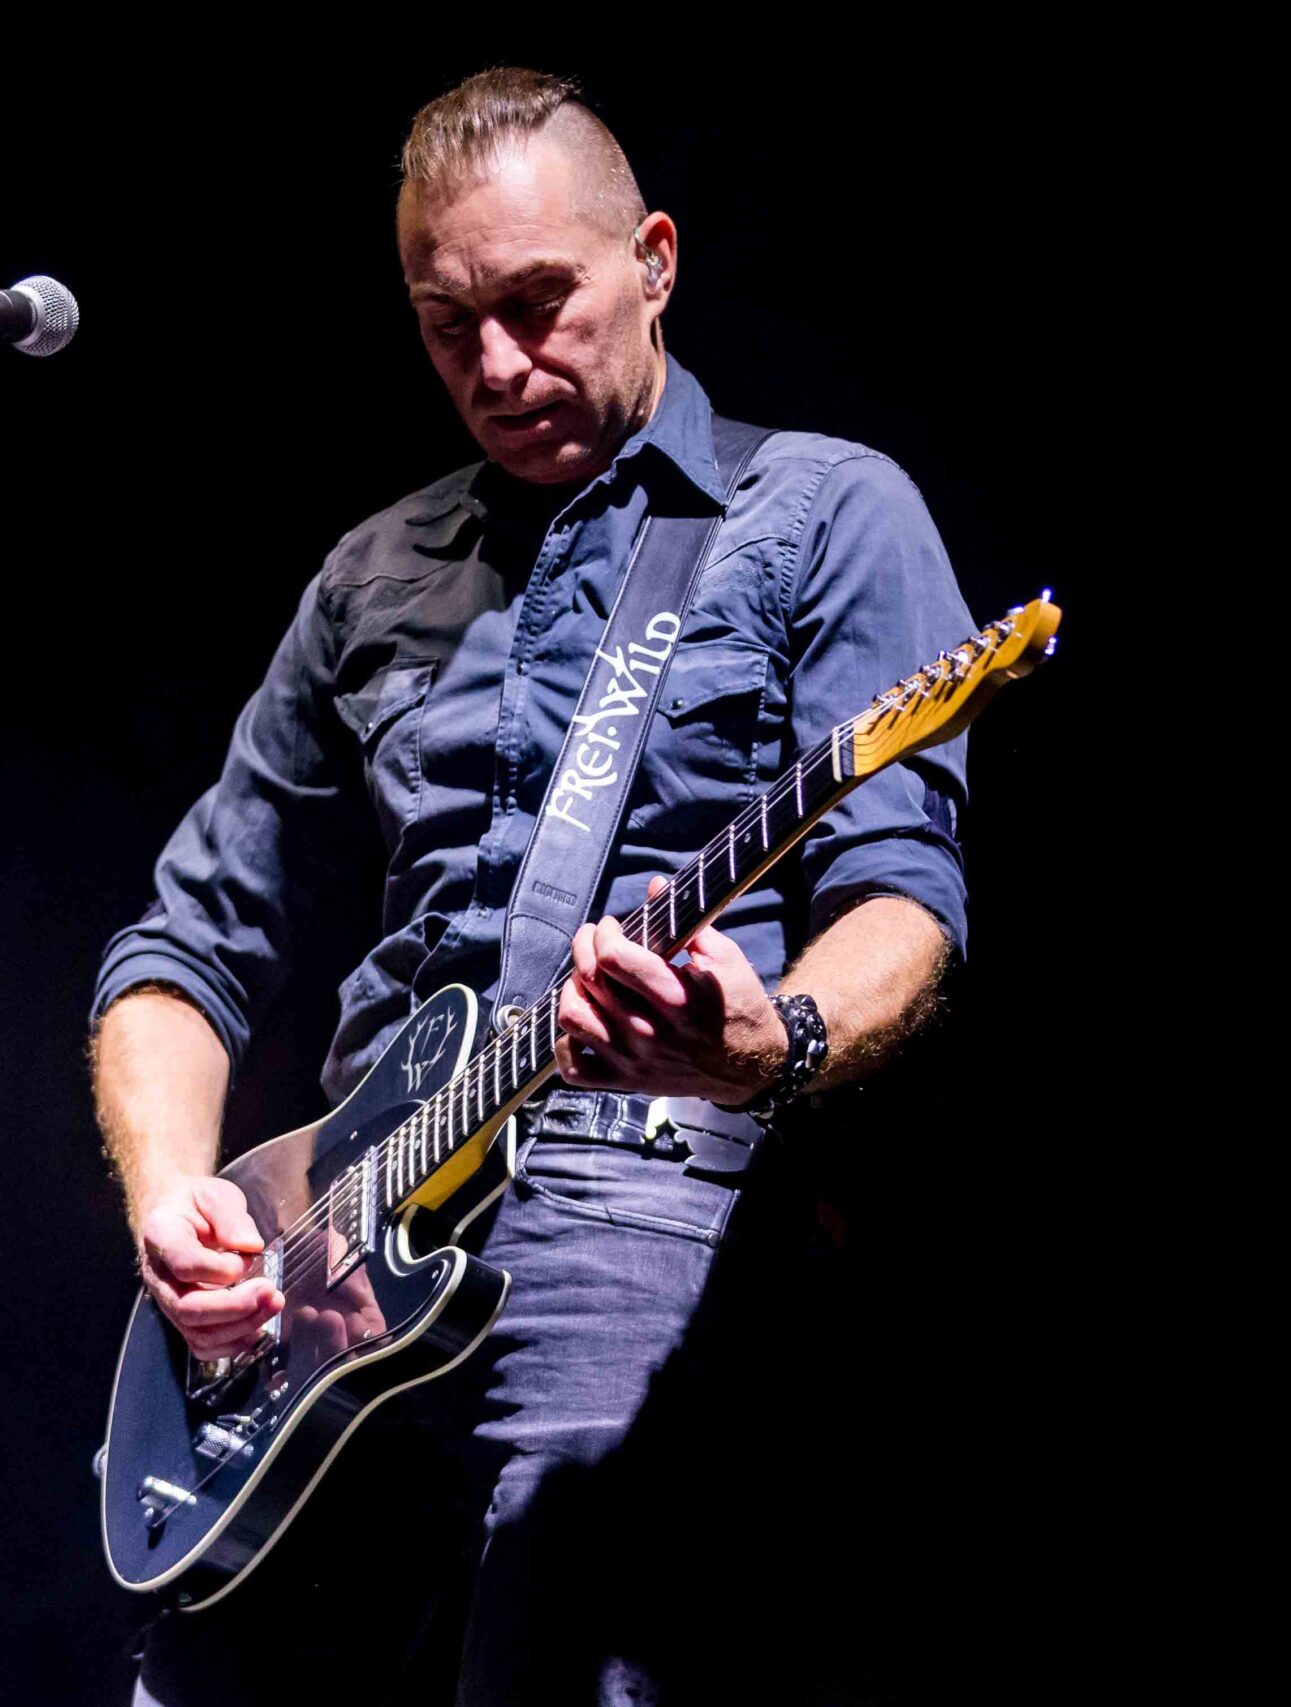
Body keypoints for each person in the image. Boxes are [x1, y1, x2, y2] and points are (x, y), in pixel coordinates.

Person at [90, 67, 979, 1705]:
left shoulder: (827, 511)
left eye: (537, 304)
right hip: (326, 1285)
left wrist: (768, 1037)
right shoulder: (373, 576)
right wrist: (173, 1202)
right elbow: (182, 948)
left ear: (654, 260)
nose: (498, 368)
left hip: (641, 1210)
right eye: (449, 328)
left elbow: (904, 899)